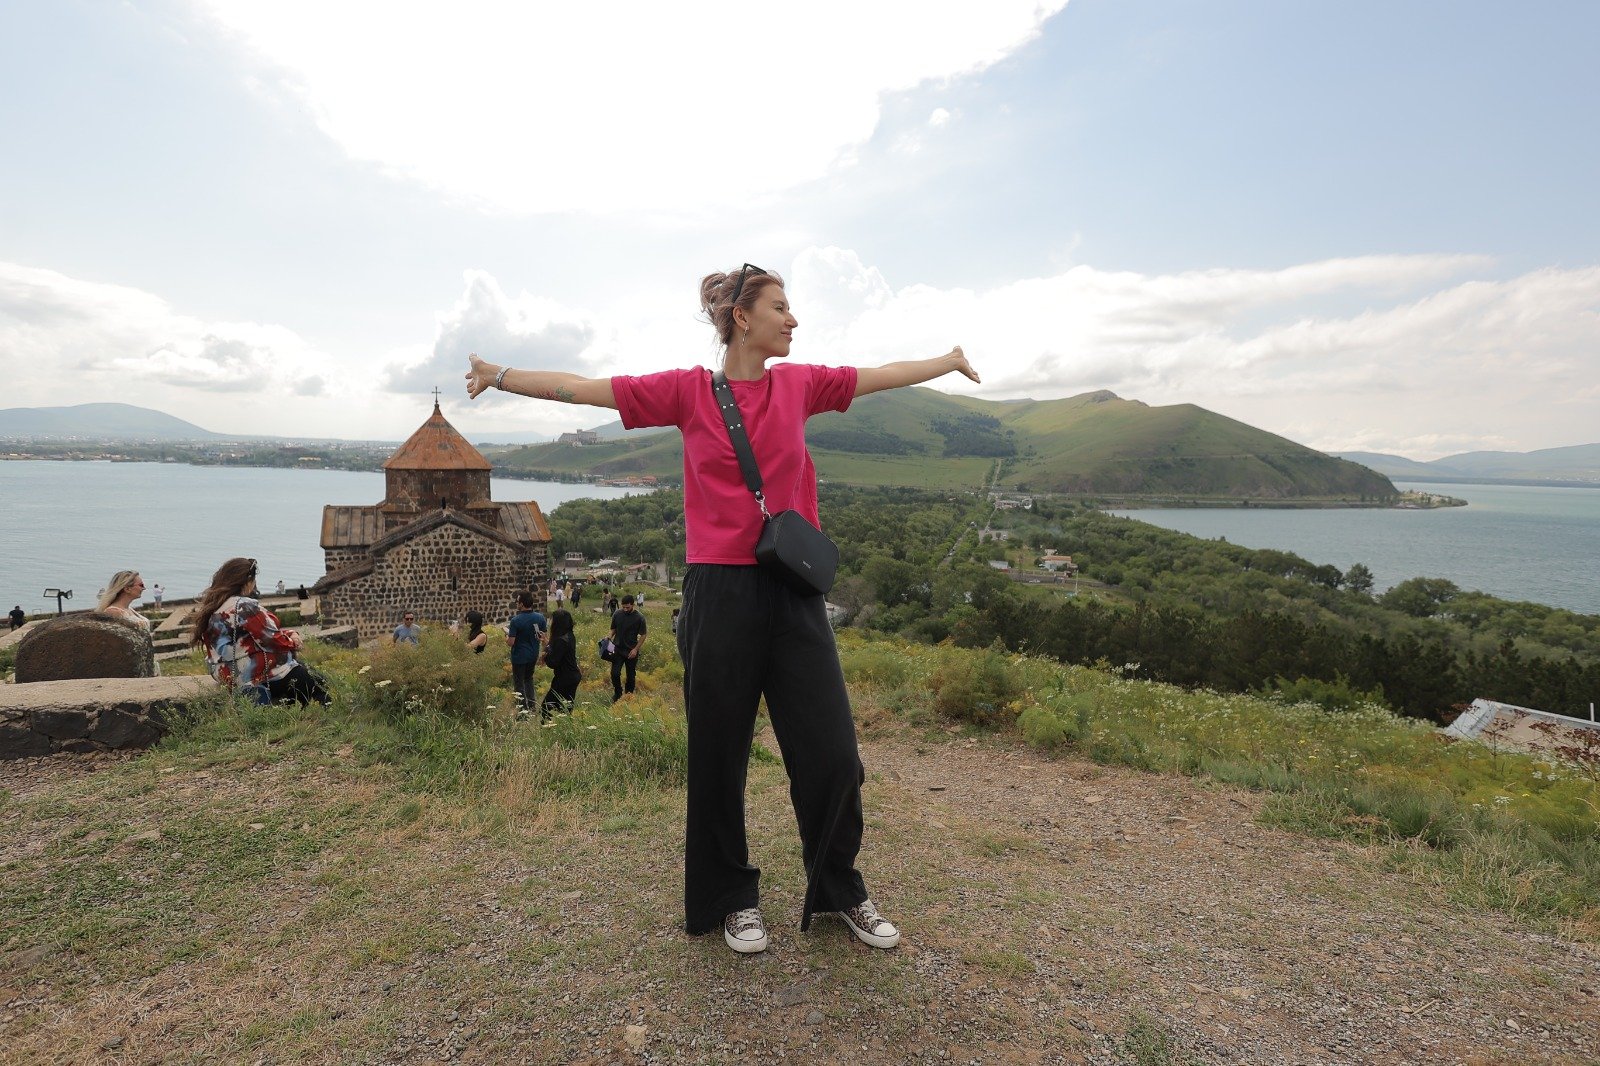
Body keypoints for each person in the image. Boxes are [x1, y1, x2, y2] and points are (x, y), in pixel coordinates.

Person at [465, 262, 979, 954]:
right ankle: (729, 898)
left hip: (794, 593)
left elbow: (880, 374)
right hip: (719, 593)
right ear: (742, 318)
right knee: (718, 755)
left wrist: (947, 360)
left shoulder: (800, 384)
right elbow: (582, 389)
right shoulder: (687, 392)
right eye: (780, 307)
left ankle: (838, 887)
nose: (792, 319)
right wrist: (498, 375)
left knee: (833, 754)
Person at [190, 557, 329, 705]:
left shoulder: (214, 605)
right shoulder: (244, 606)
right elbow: (272, 640)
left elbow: (247, 639)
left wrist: (287, 635)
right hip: (251, 674)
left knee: (300, 670)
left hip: (224, 674)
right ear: (248, 581)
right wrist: (293, 641)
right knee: (317, 682)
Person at [506, 590, 547, 716]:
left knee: (519, 683)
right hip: (533, 654)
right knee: (528, 679)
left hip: (519, 656)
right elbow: (543, 637)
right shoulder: (540, 618)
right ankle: (532, 706)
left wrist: (506, 637)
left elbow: (511, 642)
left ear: (522, 604)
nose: (516, 603)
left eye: (517, 601)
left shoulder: (515, 621)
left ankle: (522, 711)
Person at [540, 608, 580, 717]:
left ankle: (547, 726)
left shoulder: (561, 640)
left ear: (557, 623)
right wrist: (547, 643)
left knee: (546, 707)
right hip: (572, 675)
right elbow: (559, 651)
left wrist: (545, 656)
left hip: (565, 677)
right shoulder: (569, 635)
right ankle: (565, 725)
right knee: (565, 708)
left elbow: (553, 662)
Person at [608, 594, 647, 702]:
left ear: (633, 605)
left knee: (630, 676)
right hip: (617, 649)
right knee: (614, 673)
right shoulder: (617, 614)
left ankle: (628, 696)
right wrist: (609, 636)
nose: (625, 609)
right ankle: (618, 693)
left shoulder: (639, 617)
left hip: (631, 651)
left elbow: (643, 635)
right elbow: (613, 628)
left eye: (627, 607)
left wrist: (635, 649)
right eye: (623, 607)